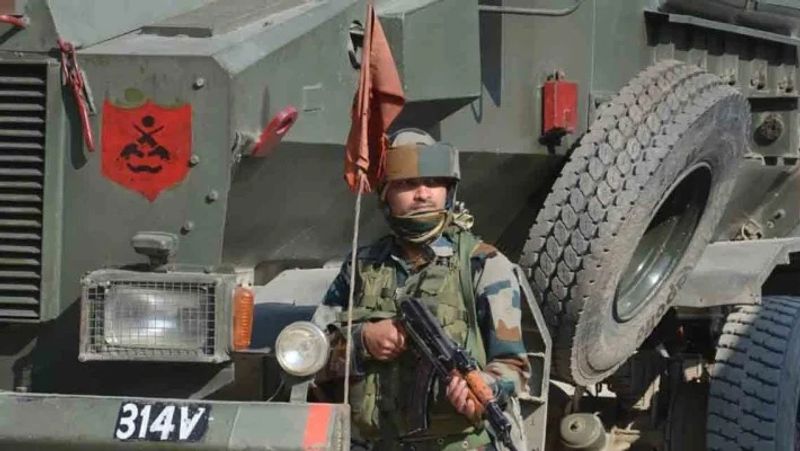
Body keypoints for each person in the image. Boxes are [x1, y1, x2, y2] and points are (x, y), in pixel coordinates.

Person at [312, 129, 530, 450]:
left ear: (449, 191)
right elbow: (312, 353)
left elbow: (515, 367)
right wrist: (362, 341)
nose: (423, 194)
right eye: (408, 184)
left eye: (433, 182)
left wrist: (486, 386)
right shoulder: (361, 266)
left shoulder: (482, 264)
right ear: (385, 194)